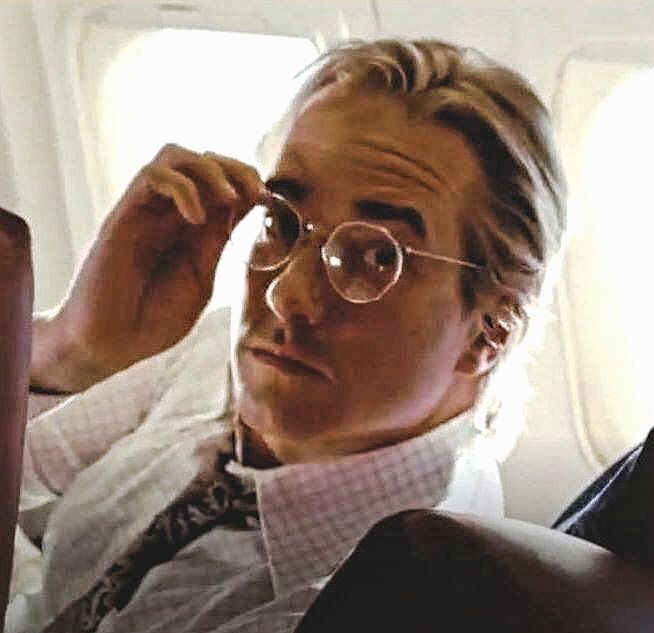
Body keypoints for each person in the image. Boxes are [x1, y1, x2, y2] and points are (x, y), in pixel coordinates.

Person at [2, 38, 566, 632]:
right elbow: (22, 470)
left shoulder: (386, 594)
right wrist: (71, 350)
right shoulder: (219, 356)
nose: (286, 295)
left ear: (491, 330)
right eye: (282, 222)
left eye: (378, 257)